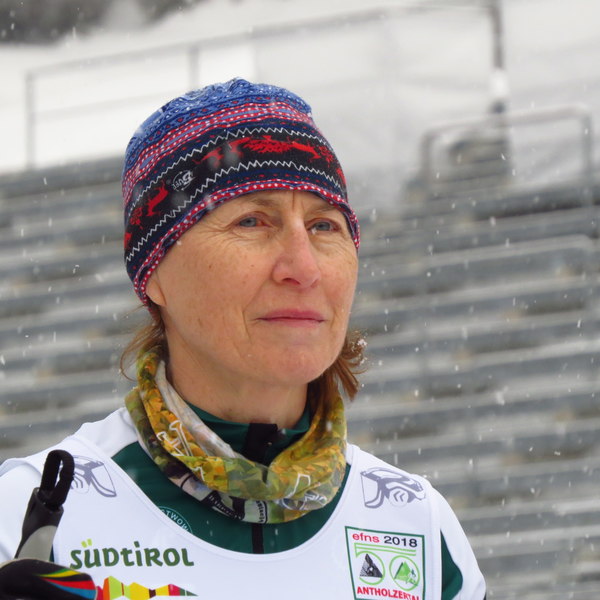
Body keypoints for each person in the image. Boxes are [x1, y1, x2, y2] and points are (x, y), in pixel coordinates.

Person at [0, 78, 486, 600]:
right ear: (154, 273)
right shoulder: (35, 512)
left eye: (324, 226)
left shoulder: (414, 523)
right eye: (252, 221)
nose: (303, 267)